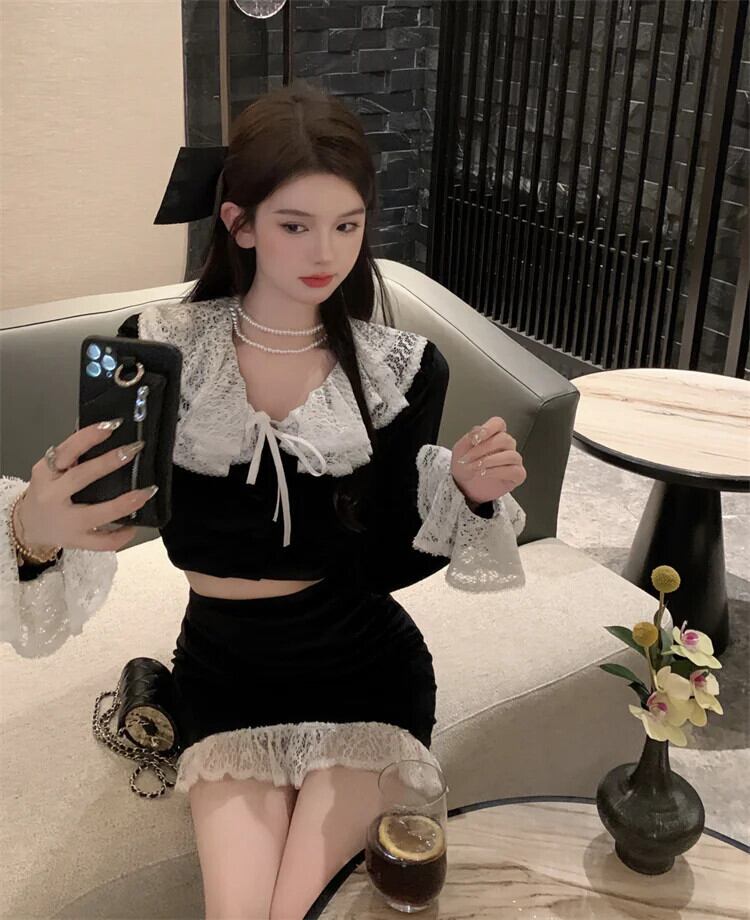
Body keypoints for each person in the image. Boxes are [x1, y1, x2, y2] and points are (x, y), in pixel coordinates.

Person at [0, 81, 527, 920]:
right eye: (295, 225)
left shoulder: (400, 370)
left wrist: (466, 495)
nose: (327, 251)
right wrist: (35, 529)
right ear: (239, 224)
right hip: (225, 675)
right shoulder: (161, 348)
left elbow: (384, 562)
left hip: (366, 673)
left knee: (301, 909)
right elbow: (98, 519)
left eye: (347, 225)